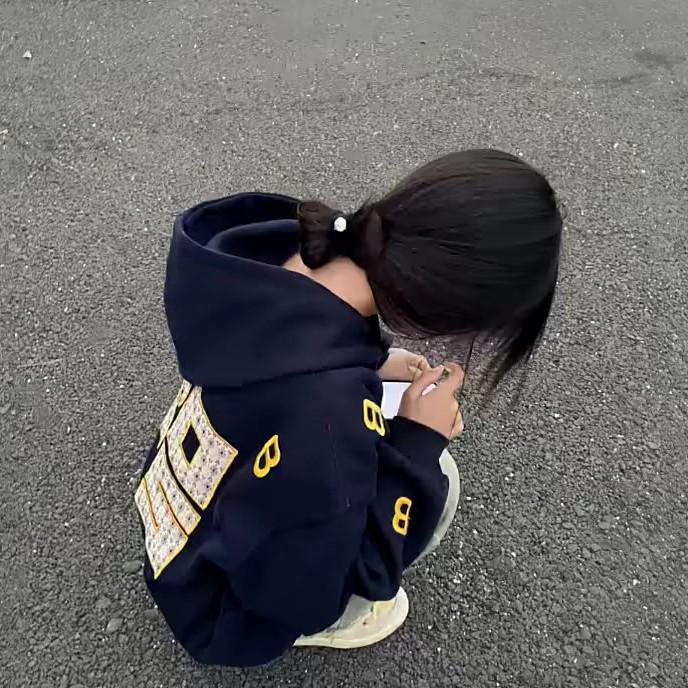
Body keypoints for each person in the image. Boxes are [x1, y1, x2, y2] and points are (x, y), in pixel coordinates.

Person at [134, 149, 563, 667]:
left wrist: (368, 360)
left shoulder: (294, 244)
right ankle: (332, 625)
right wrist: (418, 443)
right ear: (453, 317)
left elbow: (291, 357)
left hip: (180, 525)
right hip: (216, 612)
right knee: (441, 478)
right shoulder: (328, 421)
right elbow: (312, 589)